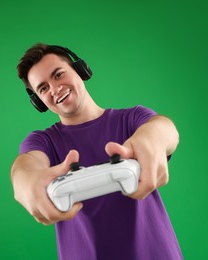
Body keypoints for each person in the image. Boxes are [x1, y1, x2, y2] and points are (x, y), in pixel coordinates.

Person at [11, 43, 183, 259]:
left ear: (80, 70)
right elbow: (26, 164)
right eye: (43, 88)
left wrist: (152, 138)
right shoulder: (44, 141)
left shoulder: (131, 119)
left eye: (58, 75)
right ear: (38, 101)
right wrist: (25, 180)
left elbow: (164, 129)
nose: (54, 89)